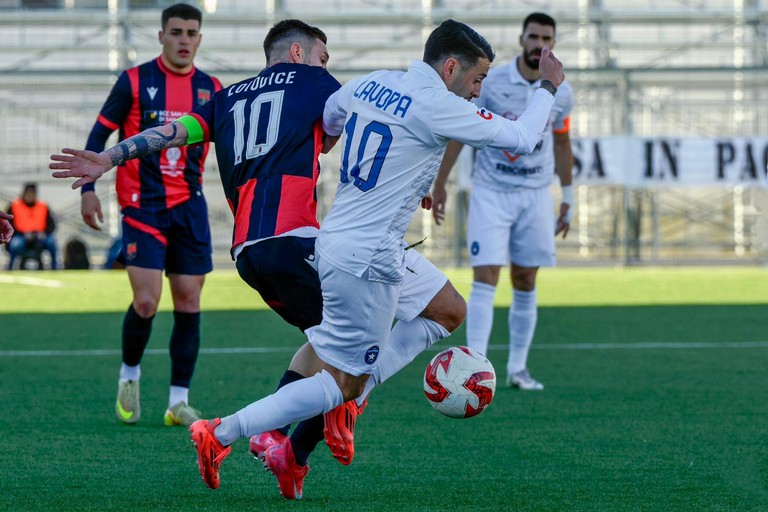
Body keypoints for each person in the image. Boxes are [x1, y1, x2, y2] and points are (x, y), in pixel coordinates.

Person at [52, 18, 564, 498]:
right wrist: (548, 86)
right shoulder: (341, 87)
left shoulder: (358, 84)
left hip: (317, 242)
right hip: (348, 253)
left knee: (447, 310)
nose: (478, 90)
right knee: (342, 381)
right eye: (477, 79)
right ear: (451, 67)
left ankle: (308, 433)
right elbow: (522, 137)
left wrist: (110, 157)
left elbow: (321, 124)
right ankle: (230, 432)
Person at [79, 3, 222, 427]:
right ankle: (129, 375)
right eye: (176, 32)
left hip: (190, 206)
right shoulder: (134, 81)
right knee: (146, 301)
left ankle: (178, 402)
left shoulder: (212, 88)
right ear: (161, 36)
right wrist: (88, 190)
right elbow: (99, 133)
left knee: (189, 299)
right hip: (143, 205)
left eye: (191, 33)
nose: (183, 40)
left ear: (199, 38)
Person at [431, 12, 574, 391]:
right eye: (534, 36)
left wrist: (568, 197)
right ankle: (474, 368)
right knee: (486, 275)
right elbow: (460, 133)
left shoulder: (562, 91)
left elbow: (562, 143)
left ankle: (518, 368)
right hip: (491, 192)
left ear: (553, 43)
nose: (540, 44)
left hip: (535, 194)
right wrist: (441, 183)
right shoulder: (492, 82)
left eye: (547, 38)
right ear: (522, 39)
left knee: (526, 277)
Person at [6, 183, 58, 270]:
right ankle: (10, 267)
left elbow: (51, 224)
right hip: (21, 235)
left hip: (40, 236)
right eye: (28, 193)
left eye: (32, 193)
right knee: (15, 244)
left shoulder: (43, 206)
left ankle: (54, 267)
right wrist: (20, 233)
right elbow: (8, 224)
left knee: (51, 242)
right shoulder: (14, 205)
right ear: (24, 193)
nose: (30, 196)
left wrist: (44, 233)